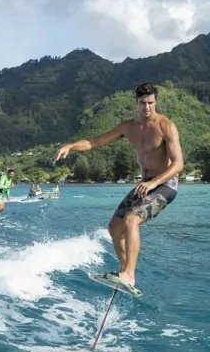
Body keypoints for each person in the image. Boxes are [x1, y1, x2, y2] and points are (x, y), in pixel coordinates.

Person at [51, 82, 183, 294]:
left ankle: (129, 274)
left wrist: (153, 182)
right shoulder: (127, 127)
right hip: (145, 184)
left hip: (165, 184)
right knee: (114, 227)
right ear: (136, 103)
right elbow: (94, 142)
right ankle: (124, 272)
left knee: (131, 220)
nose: (147, 107)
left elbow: (178, 164)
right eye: (143, 103)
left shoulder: (166, 126)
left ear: (155, 102)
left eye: (151, 103)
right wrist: (70, 146)